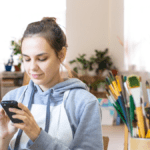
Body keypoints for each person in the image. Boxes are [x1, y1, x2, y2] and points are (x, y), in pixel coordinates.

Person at [0, 17, 104, 150]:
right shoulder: (13, 98)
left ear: (61, 54)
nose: (32, 67)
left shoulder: (84, 103)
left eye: (41, 58)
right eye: (26, 59)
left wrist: (38, 135)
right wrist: (3, 140)